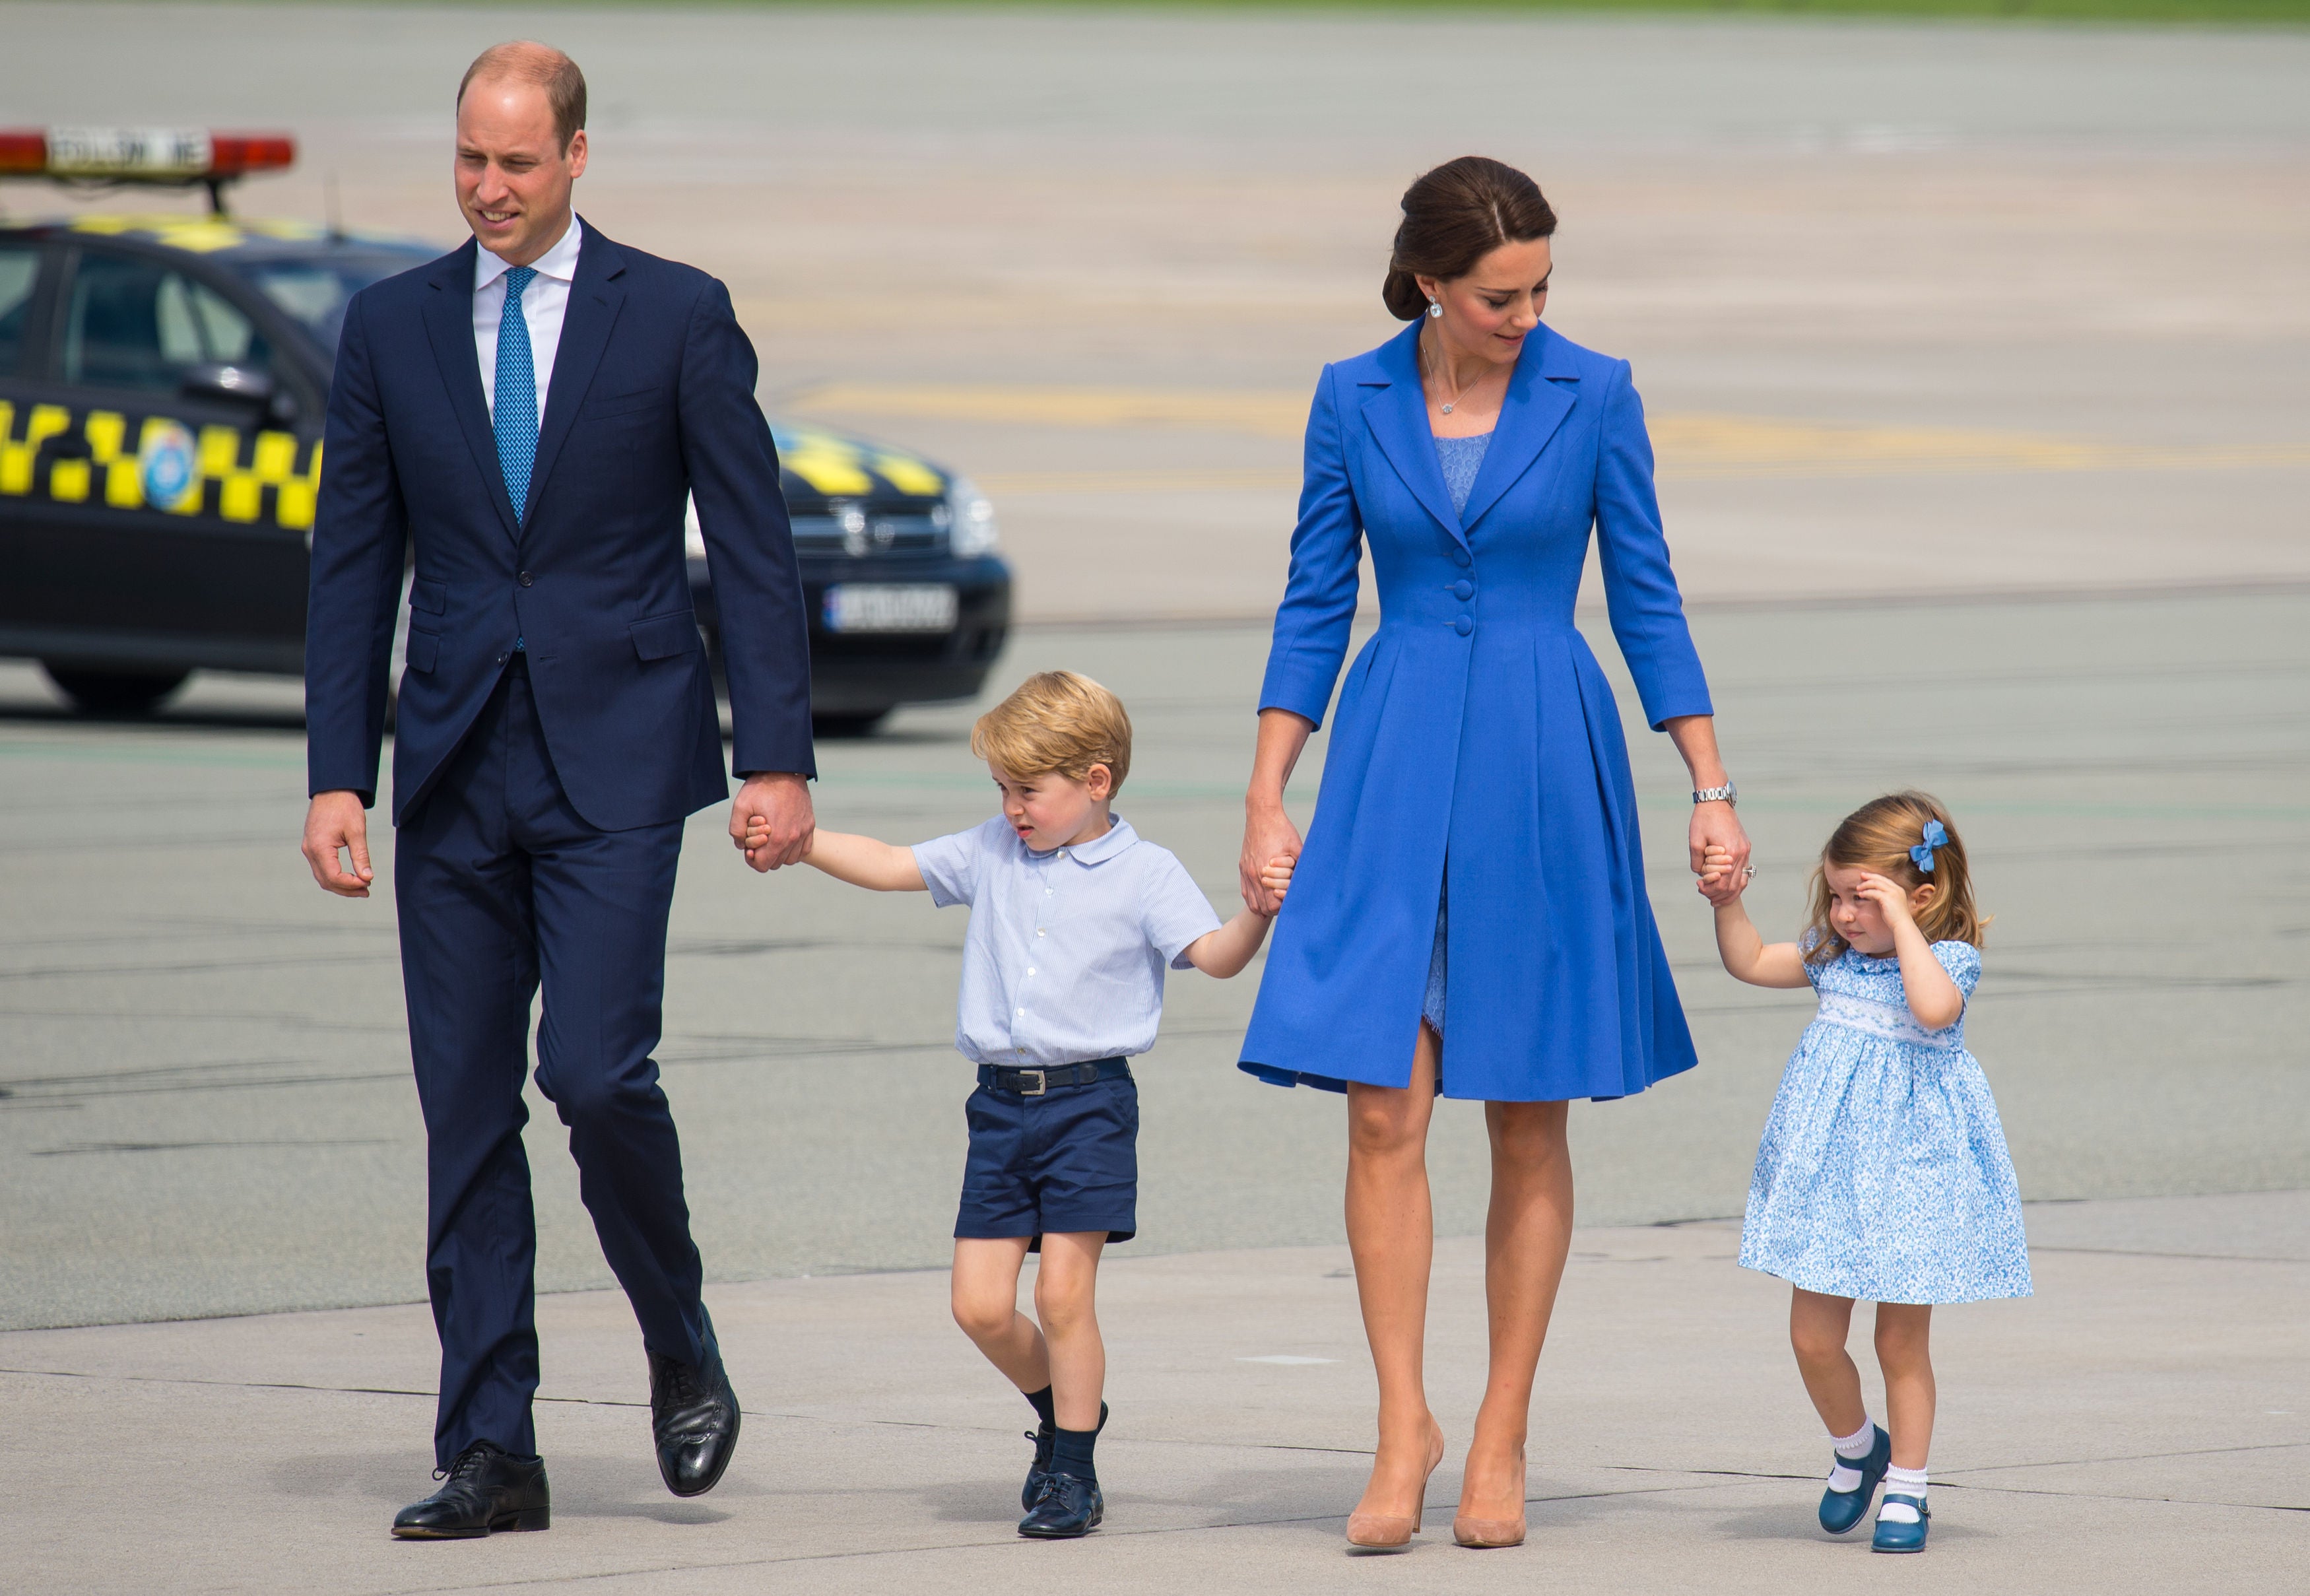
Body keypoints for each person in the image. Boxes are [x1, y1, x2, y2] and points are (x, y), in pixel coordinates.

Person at [299, 42, 818, 1539]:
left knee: (592, 1074)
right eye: (469, 159)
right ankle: (493, 1447)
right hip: (454, 762)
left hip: (620, 755)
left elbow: (755, 546)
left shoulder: (675, 314)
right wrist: (341, 773)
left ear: (577, 157)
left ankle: (679, 1338)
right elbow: (352, 568)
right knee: (463, 1116)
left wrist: (772, 756)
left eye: (517, 163)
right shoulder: (389, 328)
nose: (488, 189)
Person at [1234, 156, 1750, 1550]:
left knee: (1527, 1107)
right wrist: (1266, 792)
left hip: (1540, 748)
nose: (1526, 316)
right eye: (1497, 296)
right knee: (1379, 1108)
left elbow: (1646, 592)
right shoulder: (1351, 396)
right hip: (1392, 754)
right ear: (1426, 284)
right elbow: (1309, 600)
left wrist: (1707, 781)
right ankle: (1403, 1422)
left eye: (1539, 290)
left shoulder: (1598, 391)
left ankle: (1503, 1429)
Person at [753, 672, 1292, 1539]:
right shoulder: (993, 851)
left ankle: (1070, 1470)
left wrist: (1259, 911)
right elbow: (896, 864)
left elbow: (1216, 955)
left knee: (1068, 1296)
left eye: (1028, 790)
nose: (1011, 808)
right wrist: (803, 842)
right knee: (980, 1305)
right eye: (1001, 789)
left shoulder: (1145, 872)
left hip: (1091, 1106)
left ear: (1097, 780)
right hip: (1000, 1108)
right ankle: (1070, 1407)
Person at [1703, 793, 2030, 1554]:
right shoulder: (1832, 957)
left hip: (1914, 1176)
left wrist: (1908, 929)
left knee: (1898, 1343)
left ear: (1920, 897)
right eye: (1837, 895)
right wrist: (1728, 903)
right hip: (1830, 1176)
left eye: (1865, 898)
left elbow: (1932, 1011)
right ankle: (1857, 1448)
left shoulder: (1947, 959)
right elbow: (1749, 961)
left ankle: (1909, 1490)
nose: (1846, 915)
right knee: (1812, 1338)